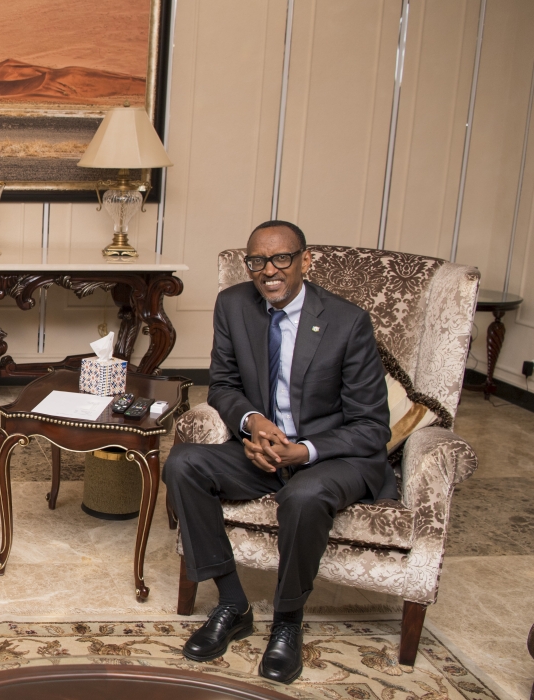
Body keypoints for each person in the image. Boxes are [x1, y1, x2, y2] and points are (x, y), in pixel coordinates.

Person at [163, 220, 393, 684]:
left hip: (331, 458)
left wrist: (302, 451)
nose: (268, 271)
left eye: (281, 259)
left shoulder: (347, 322)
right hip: (262, 450)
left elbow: (372, 427)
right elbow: (225, 385)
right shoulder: (233, 306)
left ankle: (288, 621)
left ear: (305, 261)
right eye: (257, 262)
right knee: (184, 463)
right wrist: (254, 424)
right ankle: (232, 603)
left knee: (303, 498)